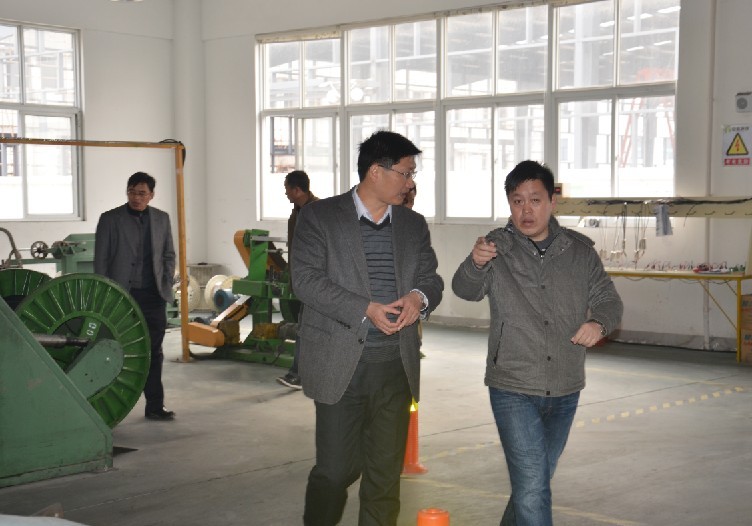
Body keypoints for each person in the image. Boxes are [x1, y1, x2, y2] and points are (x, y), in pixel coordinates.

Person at [451, 160, 623, 526]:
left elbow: (609, 300)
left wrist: (599, 322)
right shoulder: (495, 248)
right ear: (509, 204)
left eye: (535, 200)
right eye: (517, 201)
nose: (526, 210)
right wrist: (474, 263)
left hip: (565, 386)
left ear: (552, 202)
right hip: (512, 385)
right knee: (532, 487)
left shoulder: (580, 252)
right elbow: (465, 289)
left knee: (534, 483)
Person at [291, 130, 444, 525]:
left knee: (384, 477)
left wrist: (418, 298)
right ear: (376, 171)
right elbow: (305, 281)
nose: (410, 182)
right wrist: (365, 309)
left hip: (395, 367)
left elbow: (430, 279)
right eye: (406, 173)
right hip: (341, 366)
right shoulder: (320, 217)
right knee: (336, 470)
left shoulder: (412, 224)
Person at [95, 171, 177, 421]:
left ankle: (155, 406)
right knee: (114, 348)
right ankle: (108, 406)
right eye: (132, 192)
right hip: (122, 296)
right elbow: (101, 261)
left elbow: (168, 255)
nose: (136, 197)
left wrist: (165, 283)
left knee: (154, 351)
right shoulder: (110, 219)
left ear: (151, 195)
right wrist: (106, 295)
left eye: (142, 193)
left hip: (153, 296)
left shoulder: (162, 219)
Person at [277, 170, 319, 390]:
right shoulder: (296, 213)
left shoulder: (319, 212)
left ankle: (298, 374)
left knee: (307, 329)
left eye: (287, 189)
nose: (286, 193)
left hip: (318, 282)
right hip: (303, 281)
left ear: (297, 190)